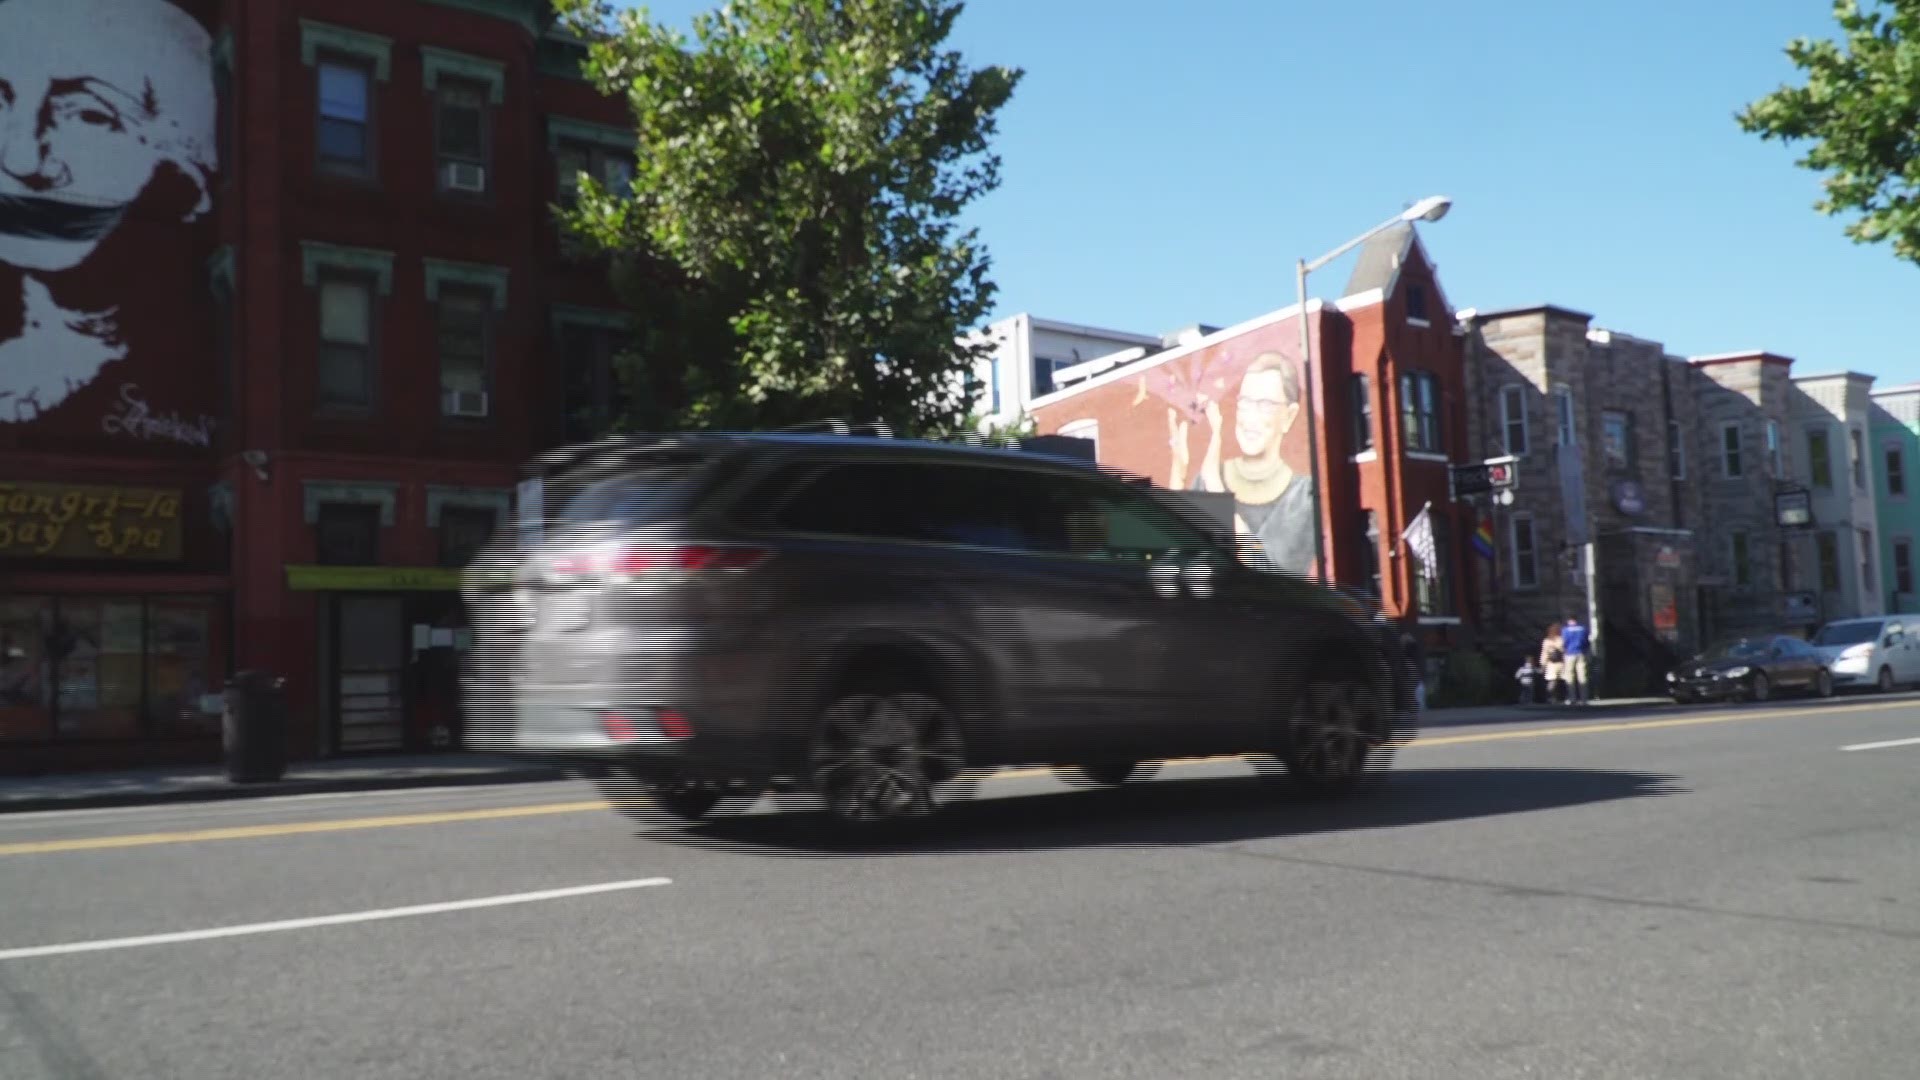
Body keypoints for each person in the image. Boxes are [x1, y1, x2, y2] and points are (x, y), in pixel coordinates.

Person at [1167, 351, 1317, 577]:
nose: (1250, 418)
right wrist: (1178, 472)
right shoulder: (1207, 478)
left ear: (1289, 415)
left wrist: (1216, 488)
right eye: (1245, 403)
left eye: (1265, 405)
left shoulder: (1303, 496)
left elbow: (1270, 575)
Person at [1561, 615, 1591, 705]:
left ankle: (1572, 698)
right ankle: (1584, 699)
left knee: (1570, 676)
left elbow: (1564, 642)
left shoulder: (1565, 630)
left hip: (1570, 653)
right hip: (1581, 653)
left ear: (1569, 620)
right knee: (1582, 676)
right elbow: (1587, 641)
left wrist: (1565, 650)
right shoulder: (1583, 628)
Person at [1539, 624, 1566, 705]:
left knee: (1552, 681)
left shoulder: (1546, 640)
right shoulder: (1561, 639)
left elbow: (1544, 653)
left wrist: (1542, 664)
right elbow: (1564, 651)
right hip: (1561, 663)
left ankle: (1551, 697)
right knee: (1563, 681)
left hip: (1551, 663)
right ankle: (1563, 697)